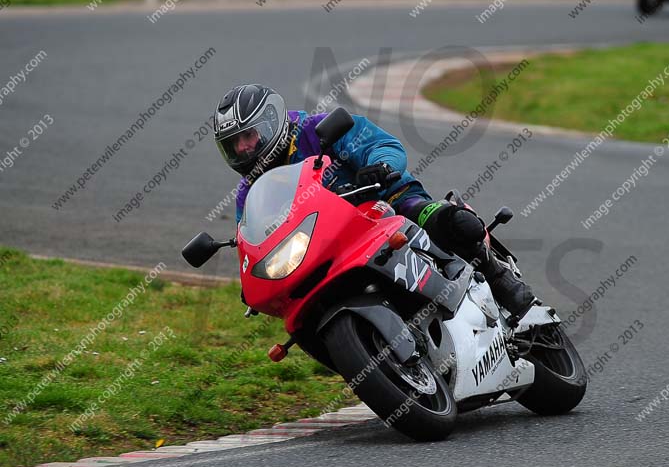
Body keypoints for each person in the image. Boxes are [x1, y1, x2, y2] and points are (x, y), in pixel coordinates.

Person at [213, 84, 534, 319]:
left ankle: (498, 278)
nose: (243, 149)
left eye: (248, 137)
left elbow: (384, 145)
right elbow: (254, 239)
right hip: (331, 244)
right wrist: (253, 276)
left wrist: (380, 167)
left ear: (271, 124)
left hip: (388, 202)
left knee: (451, 222)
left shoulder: (316, 130)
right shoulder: (249, 190)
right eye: (233, 145)